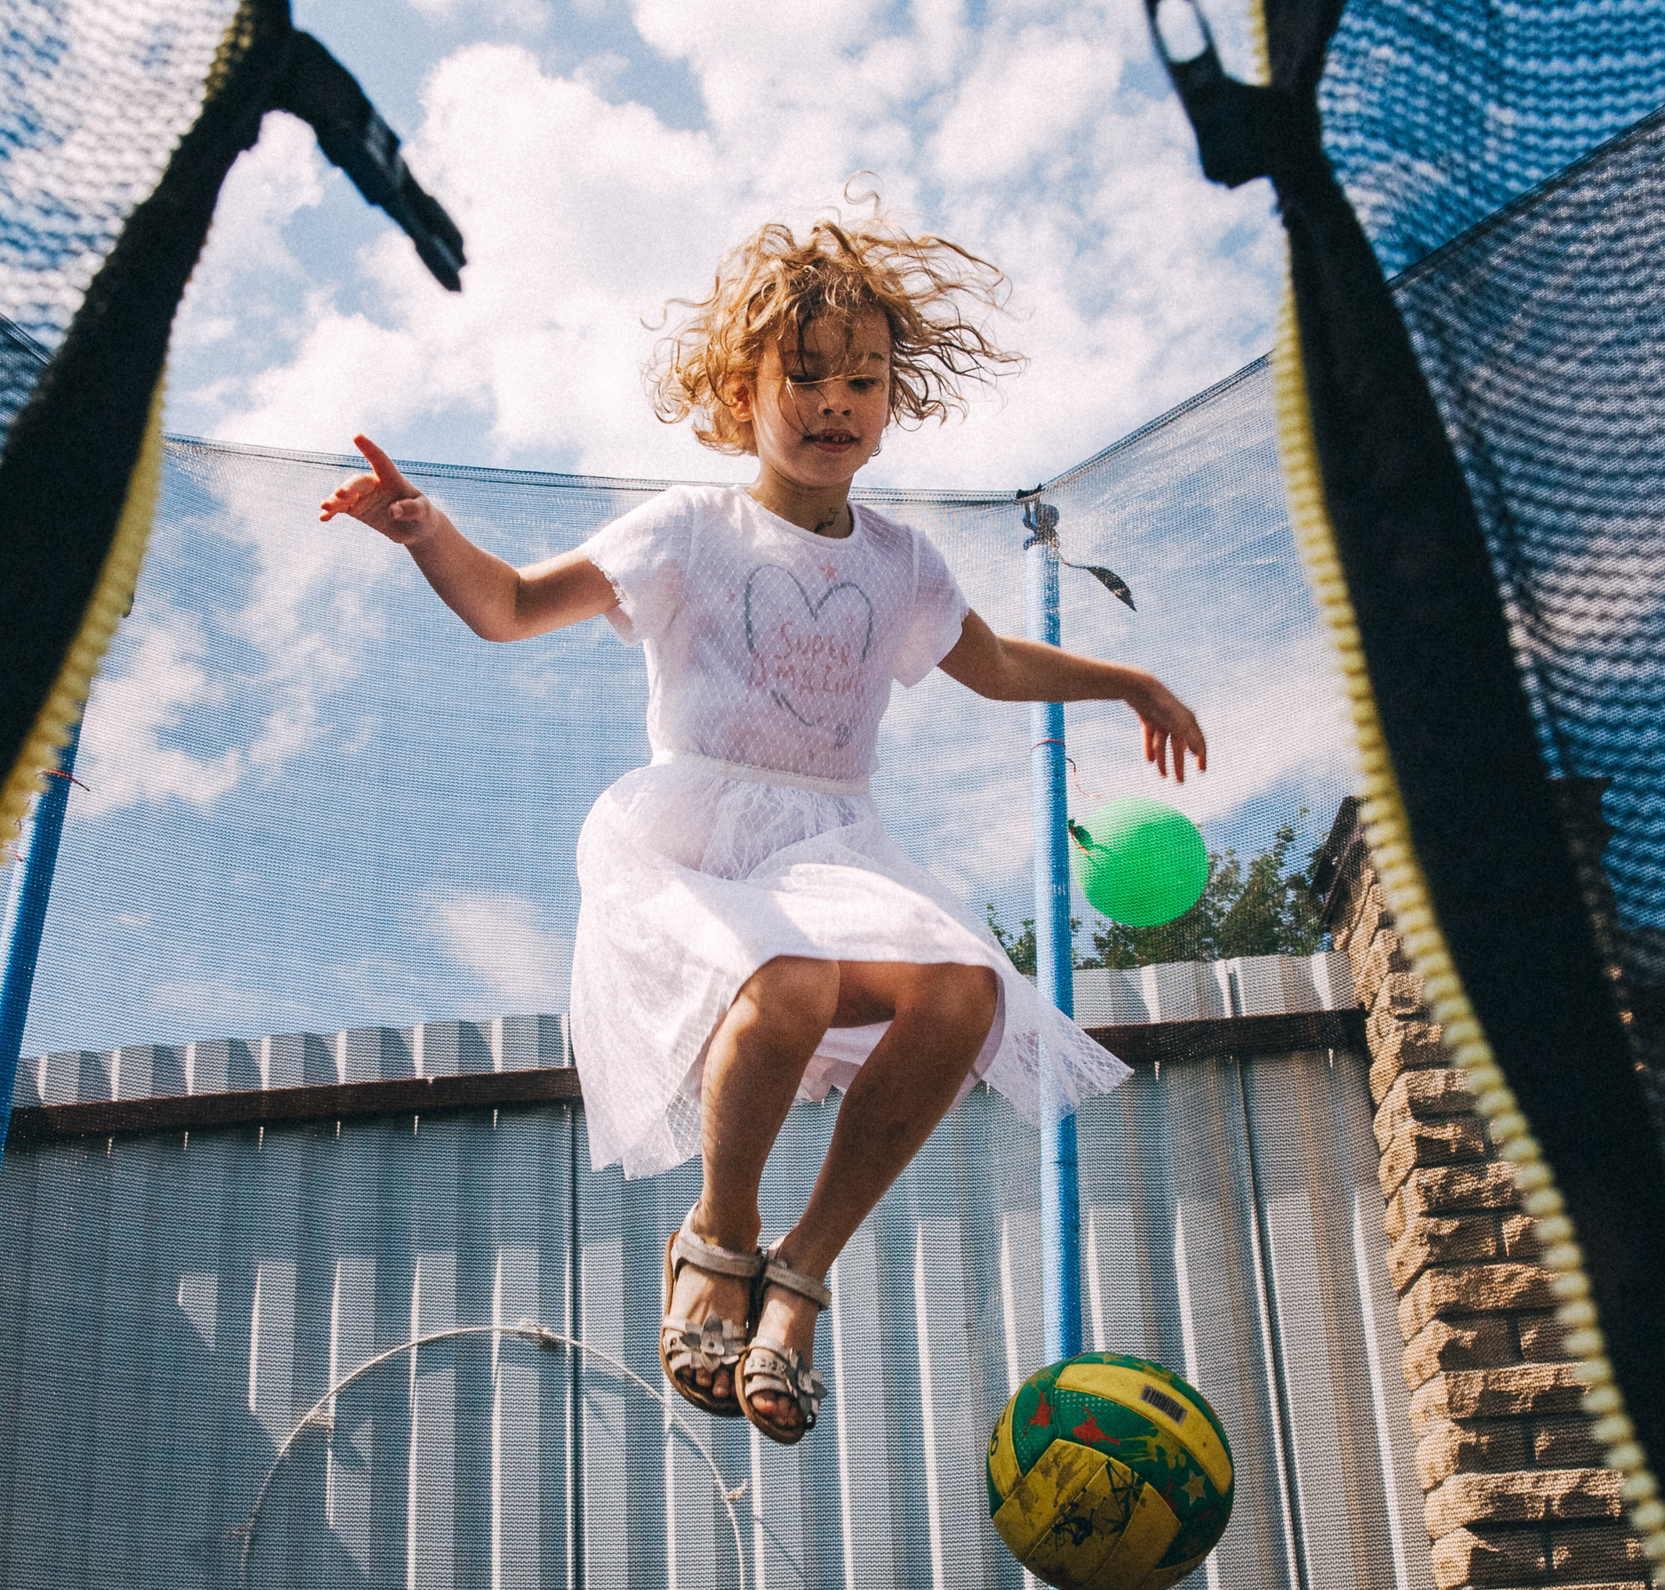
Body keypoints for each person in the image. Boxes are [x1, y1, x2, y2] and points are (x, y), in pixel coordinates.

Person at [321, 214, 1205, 1445]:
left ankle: (800, 1274)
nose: (836, 401)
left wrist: (1128, 682)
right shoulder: (690, 528)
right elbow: (512, 606)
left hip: (833, 847)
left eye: (864, 380)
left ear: (891, 402)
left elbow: (996, 664)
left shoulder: (900, 560)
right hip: (693, 841)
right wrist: (425, 530)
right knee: (784, 982)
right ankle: (718, 1234)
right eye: (806, 374)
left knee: (961, 993)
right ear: (742, 395)